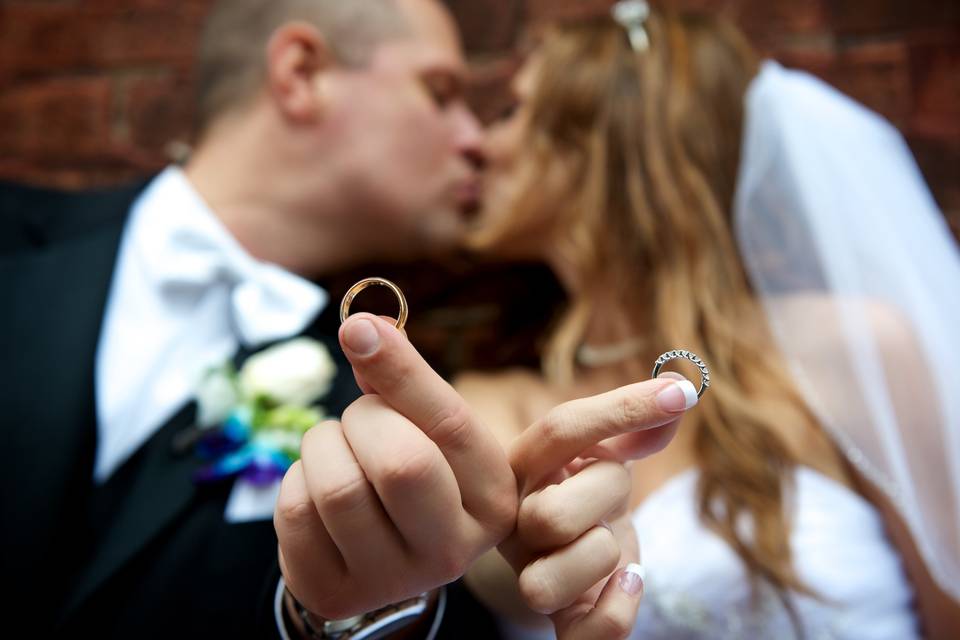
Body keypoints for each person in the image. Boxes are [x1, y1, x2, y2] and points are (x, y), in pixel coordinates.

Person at [0, 0, 691, 637]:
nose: (474, 140)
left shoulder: (389, 413)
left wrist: (366, 612)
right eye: (441, 93)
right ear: (302, 74)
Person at [459, 2, 960, 638]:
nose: (478, 142)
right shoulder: (491, 406)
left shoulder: (851, 347)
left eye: (511, 113)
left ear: (599, 144)